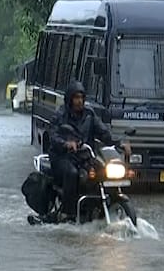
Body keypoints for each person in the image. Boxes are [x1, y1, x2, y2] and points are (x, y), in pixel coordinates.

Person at [49, 81, 131, 221]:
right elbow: (53, 136)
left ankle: (102, 203)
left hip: (85, 156)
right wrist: (66, 143)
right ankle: (67, 213)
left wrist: (120, 143)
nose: (79, 101)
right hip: (63, 157)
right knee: (72, 173)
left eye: (81, 97)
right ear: (69, 99)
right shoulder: (60, 115)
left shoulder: (90, 114)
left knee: (102, 170)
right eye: (76, 97)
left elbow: (104, 133)